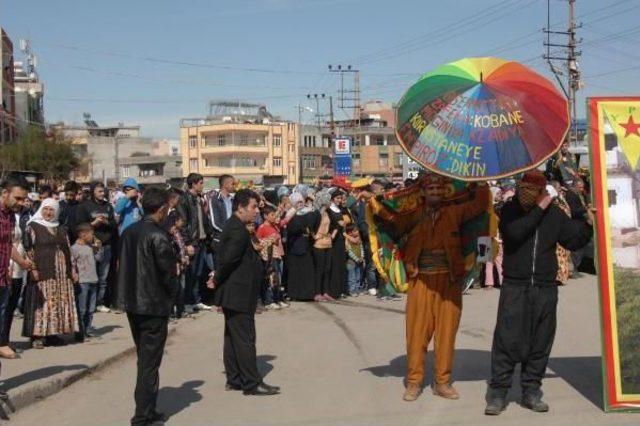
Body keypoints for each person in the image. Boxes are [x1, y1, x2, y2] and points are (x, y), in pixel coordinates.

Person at [485, 170, 594, 415]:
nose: (527, 194)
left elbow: (573, 241)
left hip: (545, 286)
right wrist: (539, 208)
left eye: (533, 190)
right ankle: (499, 392)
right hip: (515, 285)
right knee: (506, 339)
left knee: (541, 340)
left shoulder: (554, 214)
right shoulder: (510, 211)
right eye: (523, 188)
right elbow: (515, 234)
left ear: (543, 191)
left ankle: (531, 390)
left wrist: (587, 225)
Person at [401, 174, 491, 402]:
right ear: (422, 192)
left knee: (446, 334)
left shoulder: (454, 212)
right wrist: (373, 201)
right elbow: (388, 218)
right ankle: (414, 382)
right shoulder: (411, 215)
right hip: (420, 281)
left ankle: (442, 382)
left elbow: (479, 206)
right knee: (417, 334)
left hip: (449, 282)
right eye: (430, 189)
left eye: (439, 189)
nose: (435, 193)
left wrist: (481, 183)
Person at [210, 189, 280, 396]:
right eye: (252, 207)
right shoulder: (238, 230)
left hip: (236, 292)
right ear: (240, 208)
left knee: (232, 337)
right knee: (245, 338)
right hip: (238, 292)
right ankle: (251, 382)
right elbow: (228, 261)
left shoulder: (237, 227)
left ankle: (235, 379)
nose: (256, 212)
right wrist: (216, 279)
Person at [116, 187, 177, 426]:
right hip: (152, 305)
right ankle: (142, 415)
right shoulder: (158, 235)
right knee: (149, 362)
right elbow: (168, 274)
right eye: (167, 209)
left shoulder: (130, 231)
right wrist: (174, 297)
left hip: (133, 303)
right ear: (161, 209)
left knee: (145, 358)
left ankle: (148, 410)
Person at [22, 198, 78, 349]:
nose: (48, 212)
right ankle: (37, 336)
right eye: (46, 209)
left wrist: (72, 269)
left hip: (61, 276)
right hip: (43, 272)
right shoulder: (32, 227)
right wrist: (32, 268)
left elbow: (68, 249)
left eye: (52, 209)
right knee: (42, 304)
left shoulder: (61, 228)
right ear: (41, 209)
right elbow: (28, 250)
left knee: (57, 303)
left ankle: (53, 334)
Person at [0, 177, 33, 359]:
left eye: (23, 199)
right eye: (18, 198)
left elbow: (7, 244)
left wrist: (21, 262)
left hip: (3, 278)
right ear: (5, 193)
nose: (21, 203)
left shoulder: (11, 216)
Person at [76, 181, 117, 313]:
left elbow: (113, 224)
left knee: (103, 277)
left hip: (107, 246)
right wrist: (93, 223)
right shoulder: (85, 206)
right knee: (90, 276)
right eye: (99, 191)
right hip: (90, 246)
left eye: (103, 191)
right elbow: (81, 226)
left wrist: (105, 221)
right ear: (93, 191)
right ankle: (88, 303)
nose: (102, 193)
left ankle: (100, 302)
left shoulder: (108, 206)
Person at [177, 173, 213, 313]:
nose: (202, 186)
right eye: (201, 183)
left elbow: (203, 220)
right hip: (193, 242)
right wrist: (187, 243)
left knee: (198, 273)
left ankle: (196, 300)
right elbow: (183, 223)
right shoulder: (184, 199)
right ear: (193, 184)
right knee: (190, 273)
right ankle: (187, 302)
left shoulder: (199, 199)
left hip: (202, 241)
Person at [71, 223, 104, 340]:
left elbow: (99, 259)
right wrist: (74, 276)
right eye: (91, 234)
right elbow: (72, 264)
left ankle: (88, 330)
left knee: (90, 309)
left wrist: (99, 248)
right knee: (82, 308)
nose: (93, 237)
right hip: (82, 282)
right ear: (83, 235)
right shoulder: (74, 248)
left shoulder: (91, 247)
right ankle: (80, 332)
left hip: (93, 280)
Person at [285, 193, 316, 301]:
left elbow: (314, 223)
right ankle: (295, 294)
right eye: (297, 202)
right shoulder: (290, 214)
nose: (300, 204)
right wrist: (303, 228)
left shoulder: (308, 212)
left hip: (306, 246)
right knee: (295, 272)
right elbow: (291, 229)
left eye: (301, 201)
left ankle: (307, 294)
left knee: (306, 272)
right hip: (295, 246)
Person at [256, 205, 287, 310]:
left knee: (278, 279)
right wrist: (269, 240)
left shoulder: (274, 226)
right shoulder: (262, 228)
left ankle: (278, 299)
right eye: (272, 215)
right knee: (271, 279)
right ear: (265, 216)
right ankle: (269, 300)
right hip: (269, 257)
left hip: (278, 255)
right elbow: (258, 243)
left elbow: (284, 220)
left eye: (275, 214)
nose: (274, 217)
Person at [311, 190, 335, 302]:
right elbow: (310, 226)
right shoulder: (317, 213)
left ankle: (325, 292)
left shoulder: (327, 212)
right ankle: (317, 293)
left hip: (328, 242)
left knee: (327, 268)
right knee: (319, 269)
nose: (331, 202)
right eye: (329, 200)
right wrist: (315, 236)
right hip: (319, 244)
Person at [327, 189, 348, 299]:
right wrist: (338, 226)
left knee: (341, 265)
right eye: (338, 198)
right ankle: (334, 291)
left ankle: (342, 290)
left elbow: (343, 226)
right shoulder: (329, 210)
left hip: (340, 240)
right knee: (334, 265)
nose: (339, 200)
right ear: (332, 199)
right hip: (333, 240)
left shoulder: (340, 210)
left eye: (340, 198)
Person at [345, 223, 364, 297]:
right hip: (351, 262)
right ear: (349, 232)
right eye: (355, 231)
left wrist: (362, 256)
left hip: (359, 261)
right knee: (352, 277)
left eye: (357, 230)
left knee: (358, 276)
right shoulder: (348, 240)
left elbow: (361, 248)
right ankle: (352, 290)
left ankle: (357, 289)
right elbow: (349, 252)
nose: (357, 232)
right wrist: (356, 259)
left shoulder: (359, 239)